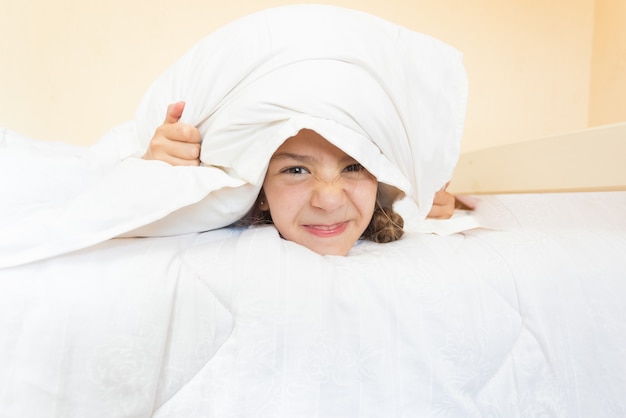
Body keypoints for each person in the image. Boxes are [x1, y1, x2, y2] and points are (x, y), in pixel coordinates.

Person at [143, 102, 459, 256]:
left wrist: (420, 201)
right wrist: (158, 170)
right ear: (260, 191)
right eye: (296, 171)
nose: (330, 200)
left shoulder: (391, 202)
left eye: (352, 168)